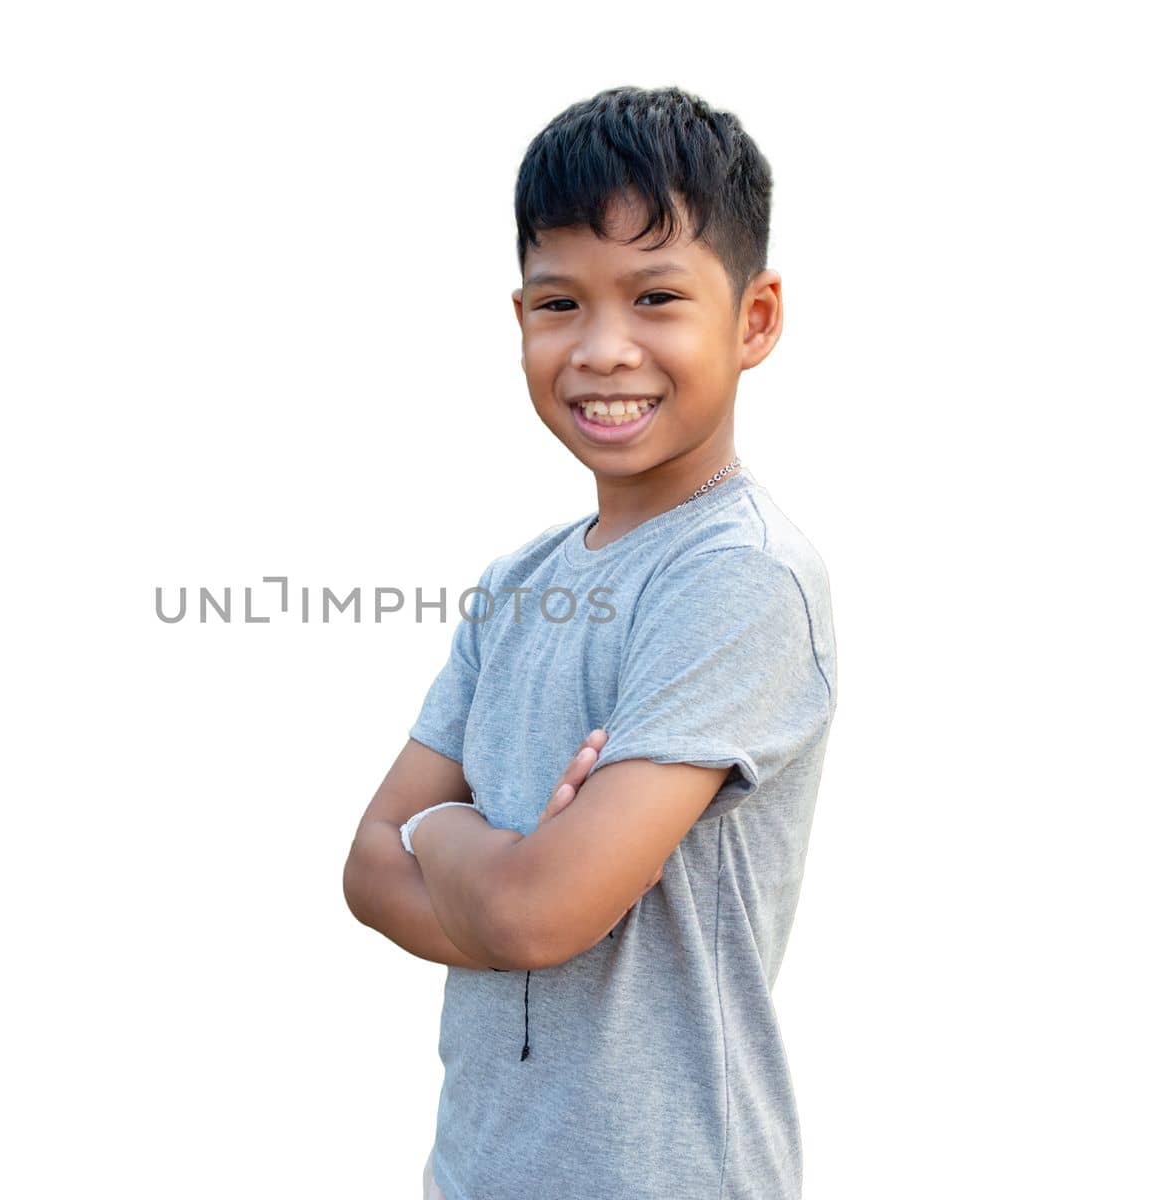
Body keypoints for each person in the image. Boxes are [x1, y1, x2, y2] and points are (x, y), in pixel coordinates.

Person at [341, 84, 837, 1199]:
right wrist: (503, 860)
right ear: (518, 318)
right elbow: (366, 870)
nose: (604, 349)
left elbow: (534, 911)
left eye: (656, 296)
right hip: (477, 1170)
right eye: (560, 303)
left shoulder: (738, 577)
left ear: (752, 319)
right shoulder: (519, 582)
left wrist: (447, 831)